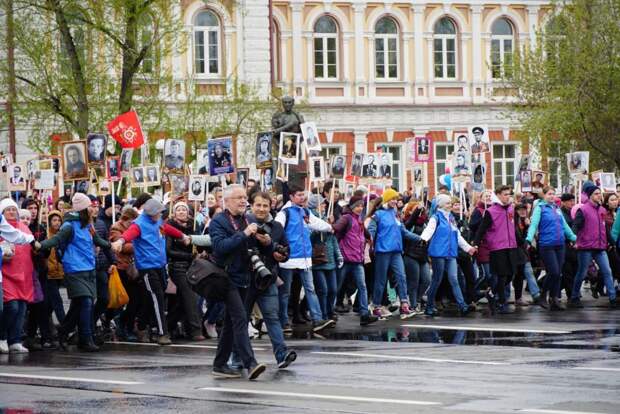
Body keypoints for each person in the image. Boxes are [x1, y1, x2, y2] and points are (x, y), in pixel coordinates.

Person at [38, 193, 114, 352]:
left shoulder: (88, 224)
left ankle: (63, 331)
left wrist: (112, 245)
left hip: (88, 268)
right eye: (90, 207)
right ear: (83, 209)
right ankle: (85, 339)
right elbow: (57, 239)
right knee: (86, 302)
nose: (93, 209)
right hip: (74, 269)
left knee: (78, 305)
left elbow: (97, 241)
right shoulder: (69, 225)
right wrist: (40, 245)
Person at [208, 184, 269, 379]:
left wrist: (266, 242)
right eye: (238, 198)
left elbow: (253, 247)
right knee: (241, 318)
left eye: (244, 197)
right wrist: (244, 234)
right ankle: (250, 364)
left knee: (230, 323)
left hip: (244, 276)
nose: (244, 201)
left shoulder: (247, 219)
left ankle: (219, 364)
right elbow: (220, 247)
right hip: (226, 277)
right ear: (226, 201)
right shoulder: (218, 221)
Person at [110, 198, 191, 344]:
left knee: (150, 298)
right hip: (147, 268)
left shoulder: (158, 221)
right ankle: (162, 333)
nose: (161, 215)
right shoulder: (139, 224)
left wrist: (182, 236)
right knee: (157, 297)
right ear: (151, 213)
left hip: (160, 266)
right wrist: (120, 242)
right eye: (158, 213)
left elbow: (167, 229)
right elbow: (128, 235)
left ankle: (139, 325)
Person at [245, 191, 297, 368]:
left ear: (270, 207)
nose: (261, 209)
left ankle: (281, 355)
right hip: (246, 279)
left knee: (272, 318)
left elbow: (286, 250)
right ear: (251, 205)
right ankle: (237, 359)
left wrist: (281, 255)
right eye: (258, 205)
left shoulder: (276, 227)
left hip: (268, 278)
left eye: (265, 205)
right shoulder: (243, 223)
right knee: (240, 320)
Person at [275, 184, 335, 332]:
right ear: (291, 197)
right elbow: (277, 229)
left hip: (305, 257)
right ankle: (283, 321)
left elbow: (316, 223)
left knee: (310, 289)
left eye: (303, 195)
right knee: (285, 292)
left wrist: (329, 227)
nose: (302, 197)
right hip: (289, 257)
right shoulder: (284, 213)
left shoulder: (305, 212)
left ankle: (317, 319)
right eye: (299, 195)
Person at [367, 188, 421, 319]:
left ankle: (404, 305)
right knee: (381, 280)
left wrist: (420, 239)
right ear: (386, 199)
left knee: (401, 277)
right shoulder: (378, 215)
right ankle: (376, 306)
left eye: (395, 199)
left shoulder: (396, 214)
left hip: (396, 252)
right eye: (391, 198)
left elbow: (404, 232)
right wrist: (368, 243)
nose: (394, 201)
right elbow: (370, 232)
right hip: (383, 252)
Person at [421, 194, 476, 316]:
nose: (450, 205)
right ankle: (429, 306)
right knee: (437, 279)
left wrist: (468, 248)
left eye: (450, 203)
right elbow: (429, 230)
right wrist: (423, 239)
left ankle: (462, 306)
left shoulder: (451, 218)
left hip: (451, 253)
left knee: (454, 279)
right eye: (447, 203)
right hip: (438, 253)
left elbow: (457, 236)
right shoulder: (436, 218)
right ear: (440, 205)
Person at [526, 187, 577, 310]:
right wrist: (528, 239)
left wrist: (574, 238)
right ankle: (543, 295)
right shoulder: (540, 208)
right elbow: (533, 225)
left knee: (558, 273)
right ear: (543, 195)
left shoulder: (556, 208)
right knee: (553, 272)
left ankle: (554, 299)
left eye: (553, 194)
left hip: (560, 244)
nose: (552, 196)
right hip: (546, 245)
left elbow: (564, 226)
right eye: (549, 194)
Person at [473, 186, 521, 314]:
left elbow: (514, 226)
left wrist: (522, 241)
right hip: (497, 247)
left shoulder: (511, 208)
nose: (507, 197)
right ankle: (501, 302)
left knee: (511, 274)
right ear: (498, 195)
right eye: (505, 194)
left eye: (509, 194)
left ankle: (492, 292)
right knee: (502, 275)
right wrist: (476, 244)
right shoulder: (491, 211)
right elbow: (481, 229)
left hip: (511, 245)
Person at [569, 182, 617, 308]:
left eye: (599, 193)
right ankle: (574, 297)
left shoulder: (602, 210)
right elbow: (575, 225)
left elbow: (605, 228)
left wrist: (611, 242)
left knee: (607, 271)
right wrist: (573, 239)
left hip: (600, 247)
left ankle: (612, 299)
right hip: (585, 247)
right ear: (590, 196)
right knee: (581, 272)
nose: (599, 195)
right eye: (596, 194)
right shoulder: (583, 210)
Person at [332, 195, 378, 326]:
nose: (360, 208)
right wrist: (332, 225)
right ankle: (329, 312)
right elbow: (336, 228)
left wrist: (369, 237)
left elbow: (364, 232)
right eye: (357, 206)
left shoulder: (359, 220)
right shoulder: (347, 218)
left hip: (357, 260)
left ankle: (364, 314)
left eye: (362, 206)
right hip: (346, 259)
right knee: (337, 286)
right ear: (352, 206)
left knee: (362, 286)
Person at [0, 198, 37, 354]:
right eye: (8, 209)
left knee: (21, 308)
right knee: (11, 307)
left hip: (24, 275)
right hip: (7, 274)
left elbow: (26, 241)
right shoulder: (3, 228)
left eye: (13, 209)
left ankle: (15, 340)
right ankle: (2, 337)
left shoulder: (24, 228)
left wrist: (37, 246)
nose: (12, 212)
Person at [166, 202, 205, 341]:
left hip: (192, 266)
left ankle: (167, 327)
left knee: (182, 300)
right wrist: (188, 255)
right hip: (177, 266)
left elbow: (199, 245)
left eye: (184, 209)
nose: (181, 212)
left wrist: (199, 249)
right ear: (174, 213)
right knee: (189, 295)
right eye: (178, 210)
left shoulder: (193, 226)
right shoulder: (169, 227)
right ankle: (196, 330)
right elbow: (168, 250)